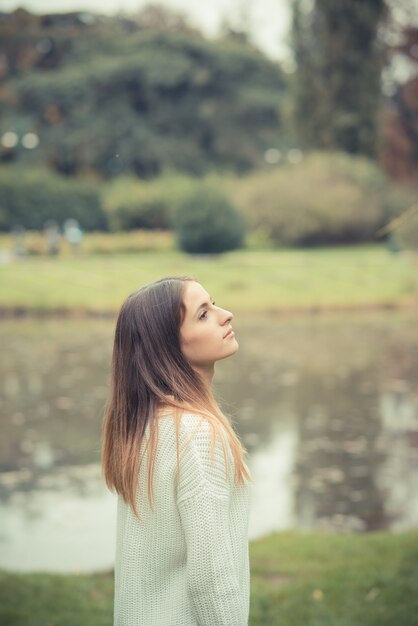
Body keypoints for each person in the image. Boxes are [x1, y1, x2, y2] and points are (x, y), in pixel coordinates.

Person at [102, 276, 252, 626]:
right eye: (203, 314)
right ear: (166, 346)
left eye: (213, 304)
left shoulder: (148, 427)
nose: (226, 314)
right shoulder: (197, 435)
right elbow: (212, 581)